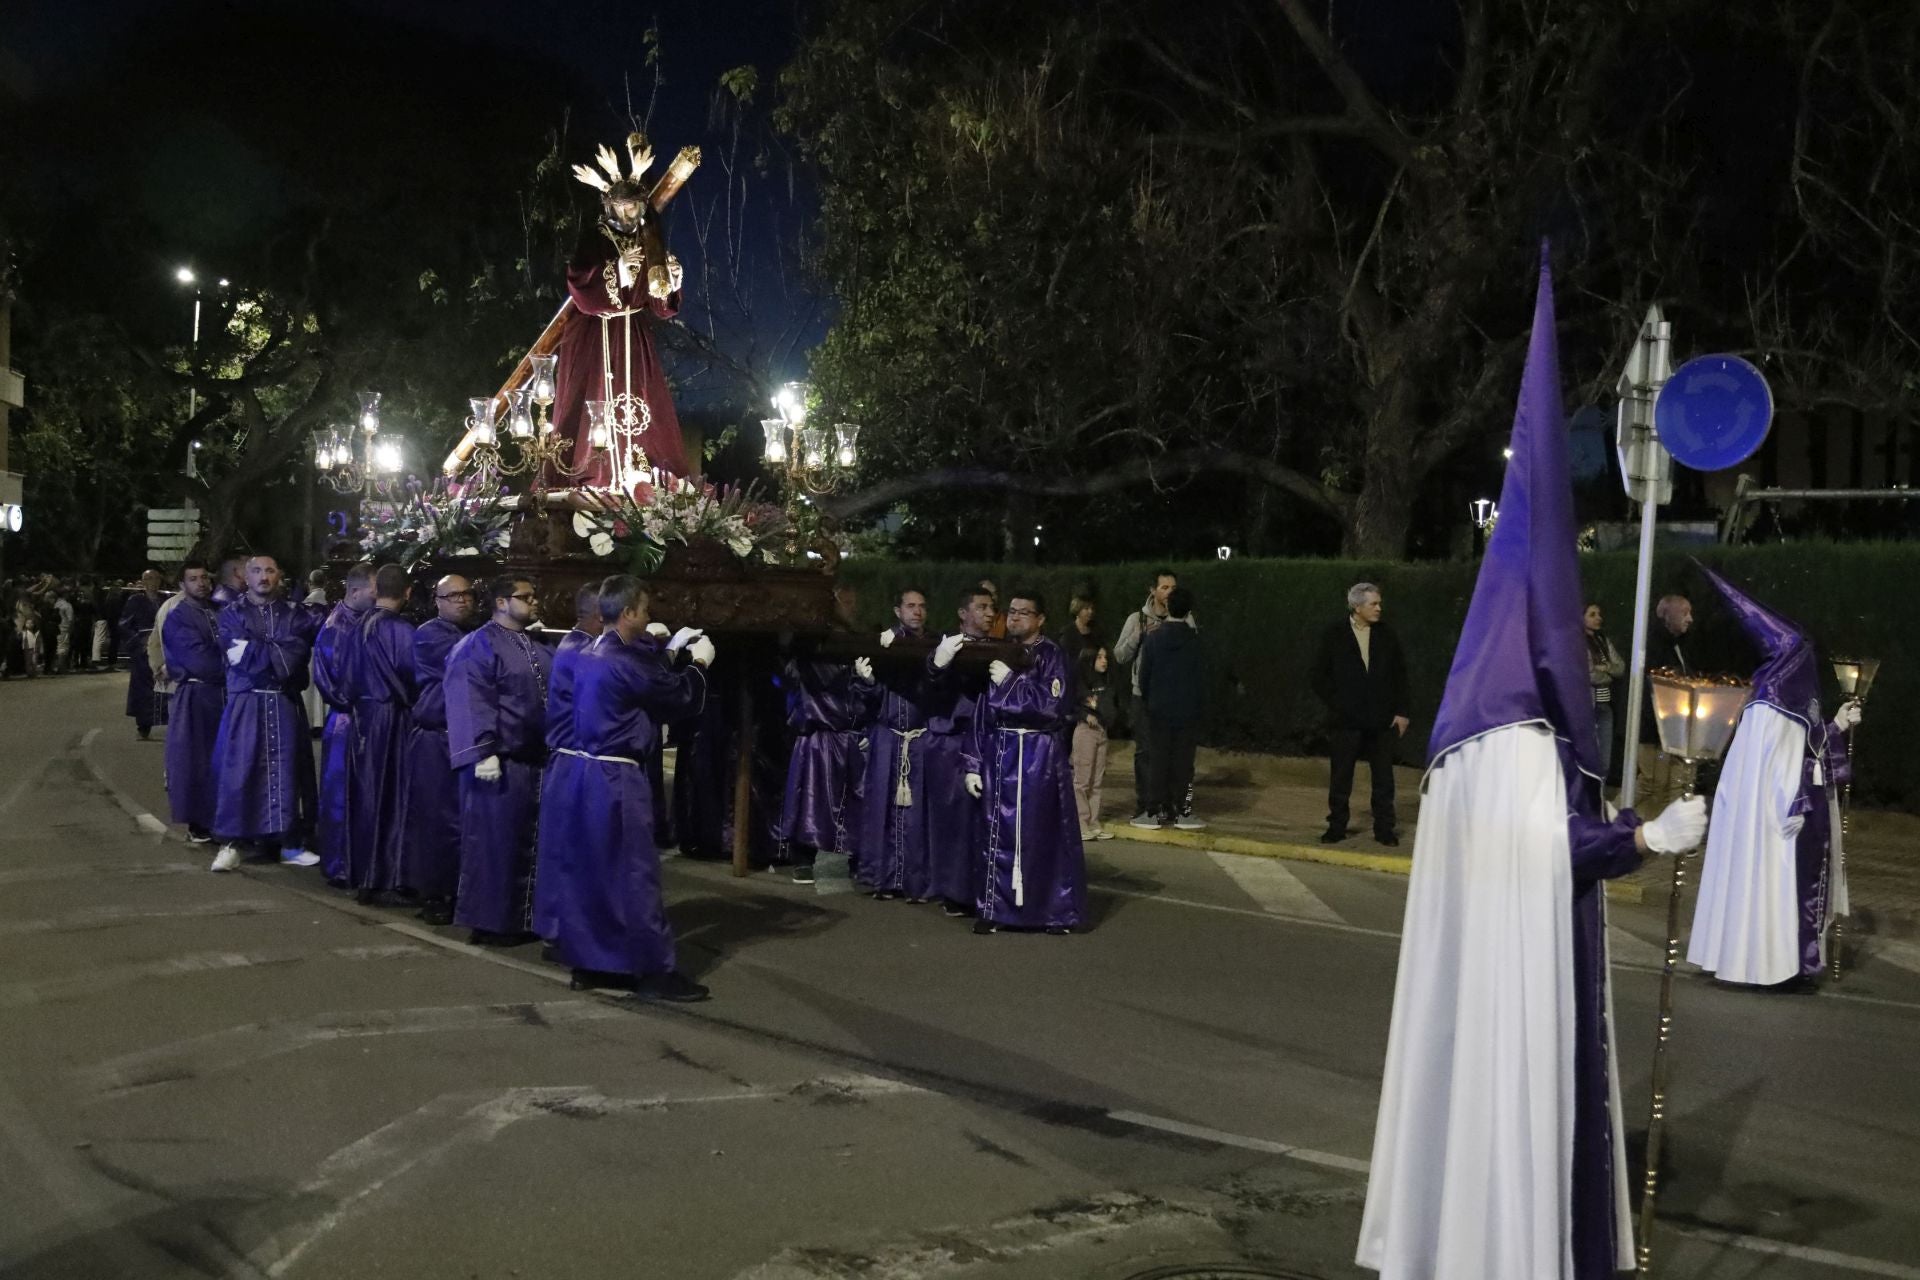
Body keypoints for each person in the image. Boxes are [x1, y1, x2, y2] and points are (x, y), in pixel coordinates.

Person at [1357, 250, 1706, 1279]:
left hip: (1507, 979)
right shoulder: (1512, 741)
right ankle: (1510, 1243)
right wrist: (1645, 835)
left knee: (1461, 1082)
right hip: (1527, 987)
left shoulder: (1469, 734)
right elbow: (1543, 852)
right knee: (1514, 1091)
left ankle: (1457, 1228)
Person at [1687, 565, 1860, 987]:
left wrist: (1836, 725)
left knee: (1758, 890)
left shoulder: (1772, 701)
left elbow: (1804, 749)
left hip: (1766, 817)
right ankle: (1772, 966)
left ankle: (1760, 962)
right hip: (1777, 822)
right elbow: (1788, 770)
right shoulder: (1778, 704)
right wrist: (1799, 801)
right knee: (1773, 892)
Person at [550, 576, 713, 999]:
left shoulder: (589, 652)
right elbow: (678, 698)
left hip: (585, 774)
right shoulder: (622, 661)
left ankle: (593, 962)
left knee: (591, 871)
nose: (648, 615)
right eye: (644, 609)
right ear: (627, 614)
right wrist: (697, 665)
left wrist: (669, 653)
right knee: (634, 874)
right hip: (615, 777)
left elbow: (648, 678)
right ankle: (654, 969)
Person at [558, 133, 690, 482]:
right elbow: (577, 282)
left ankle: (644, 478)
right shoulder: (594, 236)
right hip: (594, 335)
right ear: (610, 205)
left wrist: (672, 280)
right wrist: (617, 271)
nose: (629, 212)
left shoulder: (648, 237)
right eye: (623, 206)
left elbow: (660, 306)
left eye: (635, 206)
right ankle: (595, 476)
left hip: (633, 334)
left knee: (642, 405)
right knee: (592, 404)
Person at [966, 590, 1086, 935]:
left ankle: (1053, 911)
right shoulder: (998, 650)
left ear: (1040, 619)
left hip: (1038, 756)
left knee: (1042, 834)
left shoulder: (1052, 656)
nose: (1015, 617)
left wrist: (1011, 682)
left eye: (1024, 612)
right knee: (995, 832)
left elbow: (1052, 706)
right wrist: (973, 762)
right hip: (1001, 751)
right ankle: (993, 908)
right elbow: (982, 710)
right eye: (1012, 611)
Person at [444, 575, 553, 946]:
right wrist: (482, 749)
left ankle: (524, 920)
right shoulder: (477, 645)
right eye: (527, 596)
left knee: (528, 843)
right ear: (503, 602)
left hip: (534, 760)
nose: (535, 601)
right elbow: (470, 697)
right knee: (493, 845)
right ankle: (490, 923)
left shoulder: (537, 645)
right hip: (498, 761)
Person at [208, 555, 320, 871]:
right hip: (246, 704)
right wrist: (274, 649)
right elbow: (238, 655)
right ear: (245, 576)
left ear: (279, 575)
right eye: (256, 570)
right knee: (240, 771)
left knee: (287, 772)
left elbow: (295, 654)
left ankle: (288, 843)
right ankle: (232, 843)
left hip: (283, 704)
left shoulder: (295, 614)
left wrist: (260, 647)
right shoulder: (230, 615)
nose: (263, 576)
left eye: (270, 570)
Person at [533, 580, 617, 938]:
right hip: (576, 762)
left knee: (566, 851)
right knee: (573, 854)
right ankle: (565, 931)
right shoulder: (584, 651)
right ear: (600, 615)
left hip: (570, 762)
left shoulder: (578, 644)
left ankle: (561, 928)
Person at [1310, 582, 1411, 846]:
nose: (1379, 608)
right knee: (1341, 776)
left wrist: (1402, 712)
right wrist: (1338, 703)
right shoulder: (1335, 634)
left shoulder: (1387, 635)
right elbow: (1319, 675)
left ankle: (1384, 828)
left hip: (1381, 719)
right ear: (1357, 606)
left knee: (1383, 778)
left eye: (1379, 603)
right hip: (1346, 720)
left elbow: (1400, 675)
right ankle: (1337, 826)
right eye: (1373, 604)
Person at [853, 588, 937, 897]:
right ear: (897, 610)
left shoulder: (934, 644)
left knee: (918, 816)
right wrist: (868, 681)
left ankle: (917, 882)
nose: (917, 611)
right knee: (882, 811)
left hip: (920, 739)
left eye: (922, 606)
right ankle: (883, 879)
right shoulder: (883, 644)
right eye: (911, 606)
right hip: (888, 738)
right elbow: (869, 700)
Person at [405, 574, 475, 925]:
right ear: (437, 600)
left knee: (461, 821)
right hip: (436, 739)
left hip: (463, 739)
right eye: (453, 596)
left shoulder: (468, 634)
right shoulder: (430, 634)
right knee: (436, 820)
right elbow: (464, 665)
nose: (461, 601)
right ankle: (434, 894)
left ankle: (459, 890)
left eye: (466, 595)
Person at [346, 564, 417, 902]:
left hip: (361, 717)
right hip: (391, 718)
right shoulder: (401, 630)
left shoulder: (355, 625)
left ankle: (363, 872)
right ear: (408, 592)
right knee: (393, 796)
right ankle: (386, 876)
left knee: (367, 795)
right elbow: (413, 676)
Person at [924, 586, 995, 916]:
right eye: (981, 607)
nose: (990, 613)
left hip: (985, 742)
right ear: (963, 613)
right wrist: (938, 665)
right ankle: (954, 891)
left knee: (983, 821)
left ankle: (981, 887)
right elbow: (931, 687)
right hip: (953, 742)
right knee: (955, 821)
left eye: (992, 607)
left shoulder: (998, 648)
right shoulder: (948, 647)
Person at [775, 642, 869, 887]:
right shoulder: (807, 649)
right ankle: (804, 859)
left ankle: (857, 858)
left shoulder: (861, 643)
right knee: (809, 799)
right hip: (818, 736)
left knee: (856, 800)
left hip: (852, 736)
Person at [312, 564, 375, 886]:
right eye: (374, 591)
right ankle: (340, 864)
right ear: (355, 591)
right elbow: (338, 684)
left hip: (360, 717)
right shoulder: (336, 628)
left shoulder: (362, 621)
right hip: (347, 721)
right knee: (342, 796)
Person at [160, 560, 225, 843]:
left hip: (223, 696)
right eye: (193, 578)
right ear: (182, 585)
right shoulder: (178, 617)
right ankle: (198, 823)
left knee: (223, 760)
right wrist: (233, 661)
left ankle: (223, 819)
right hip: (196, 698)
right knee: (196, 761)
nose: (201, 583)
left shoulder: (219, 611)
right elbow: (200, 661)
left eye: (204, 578)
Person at [1110, 569, 1179, 823]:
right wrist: (1139, 635)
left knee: (1170, 753)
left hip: (1172, 697)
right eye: (1164, 587)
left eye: (1173, 588)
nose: (1169, 592)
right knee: (1145, 752)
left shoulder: (1182, 616)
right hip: (1143, 696)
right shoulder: (1137, 619)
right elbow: (1119, 655)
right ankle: (1145, 805)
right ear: (1153, 590)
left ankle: (1168, 805)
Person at [1135, 586, 1206, 830]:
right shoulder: (1195, 642)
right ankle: (1184, 811)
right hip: (1187, 712)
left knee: (1158, 761)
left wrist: (1150, 699)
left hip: (1159, 710)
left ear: (1168, 607)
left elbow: (1144, 676)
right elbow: (1202, 678)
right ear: (1189, 610)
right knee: (1185, 764)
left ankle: (1153, 811)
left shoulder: (1154, 639)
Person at [1636, 592, 1694, 811]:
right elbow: (1649, 688)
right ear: (1666, 614)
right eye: (1685, 612)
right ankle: (1620, 825)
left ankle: (1666, 832)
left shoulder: (1677, 645)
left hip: (1672, 728)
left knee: (1672, 783)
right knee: (1652, 782)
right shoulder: (1650, 645)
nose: (1690, 619)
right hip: (1654, 731)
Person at [1070, 645, 1116, 841]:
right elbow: (1070, 706)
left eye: (1105, 657)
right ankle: (1080, 823)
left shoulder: (1106, 682)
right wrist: (1085, 714)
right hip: (1086, 731)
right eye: (1099, 657)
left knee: (1097, 781)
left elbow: (1111, 706)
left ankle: (1093, 822)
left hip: (1101, 732)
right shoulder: (1080, 684)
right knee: (1082, 780)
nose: (1104, 661)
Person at [118, 570, 166, 738]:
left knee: (165, 685)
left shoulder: (164, 600)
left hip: (162, 649)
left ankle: (168, 720)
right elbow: (125, 625)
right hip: (143, 650)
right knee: (143, 688)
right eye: (149, 579)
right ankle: (143, 725)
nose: (153, 582)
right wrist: (139, 642)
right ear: (143, 582)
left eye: (156, 578)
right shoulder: (135, 601)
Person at [1582, 603, 1625, 774]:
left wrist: (1605, 667)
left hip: (1605, 706)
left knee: (1604, 761)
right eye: (1592, 614)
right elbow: (1587, 673)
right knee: (1588, 758)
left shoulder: (1603, 642)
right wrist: (1608, 673)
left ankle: (1600, 796)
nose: (1598, 618)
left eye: (1599, 614)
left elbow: (1620, 667)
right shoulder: (1577, 642)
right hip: (1587, 707)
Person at [51, 586, 73, 674]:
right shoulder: (67, 605)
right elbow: (70, 619)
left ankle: (54, 667)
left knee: (56, 647)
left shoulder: (55, 604)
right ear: (65, 594)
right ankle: (61, 668)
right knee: (63, 648)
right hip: (64, 628)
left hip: (55, 628)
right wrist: (71, 629)